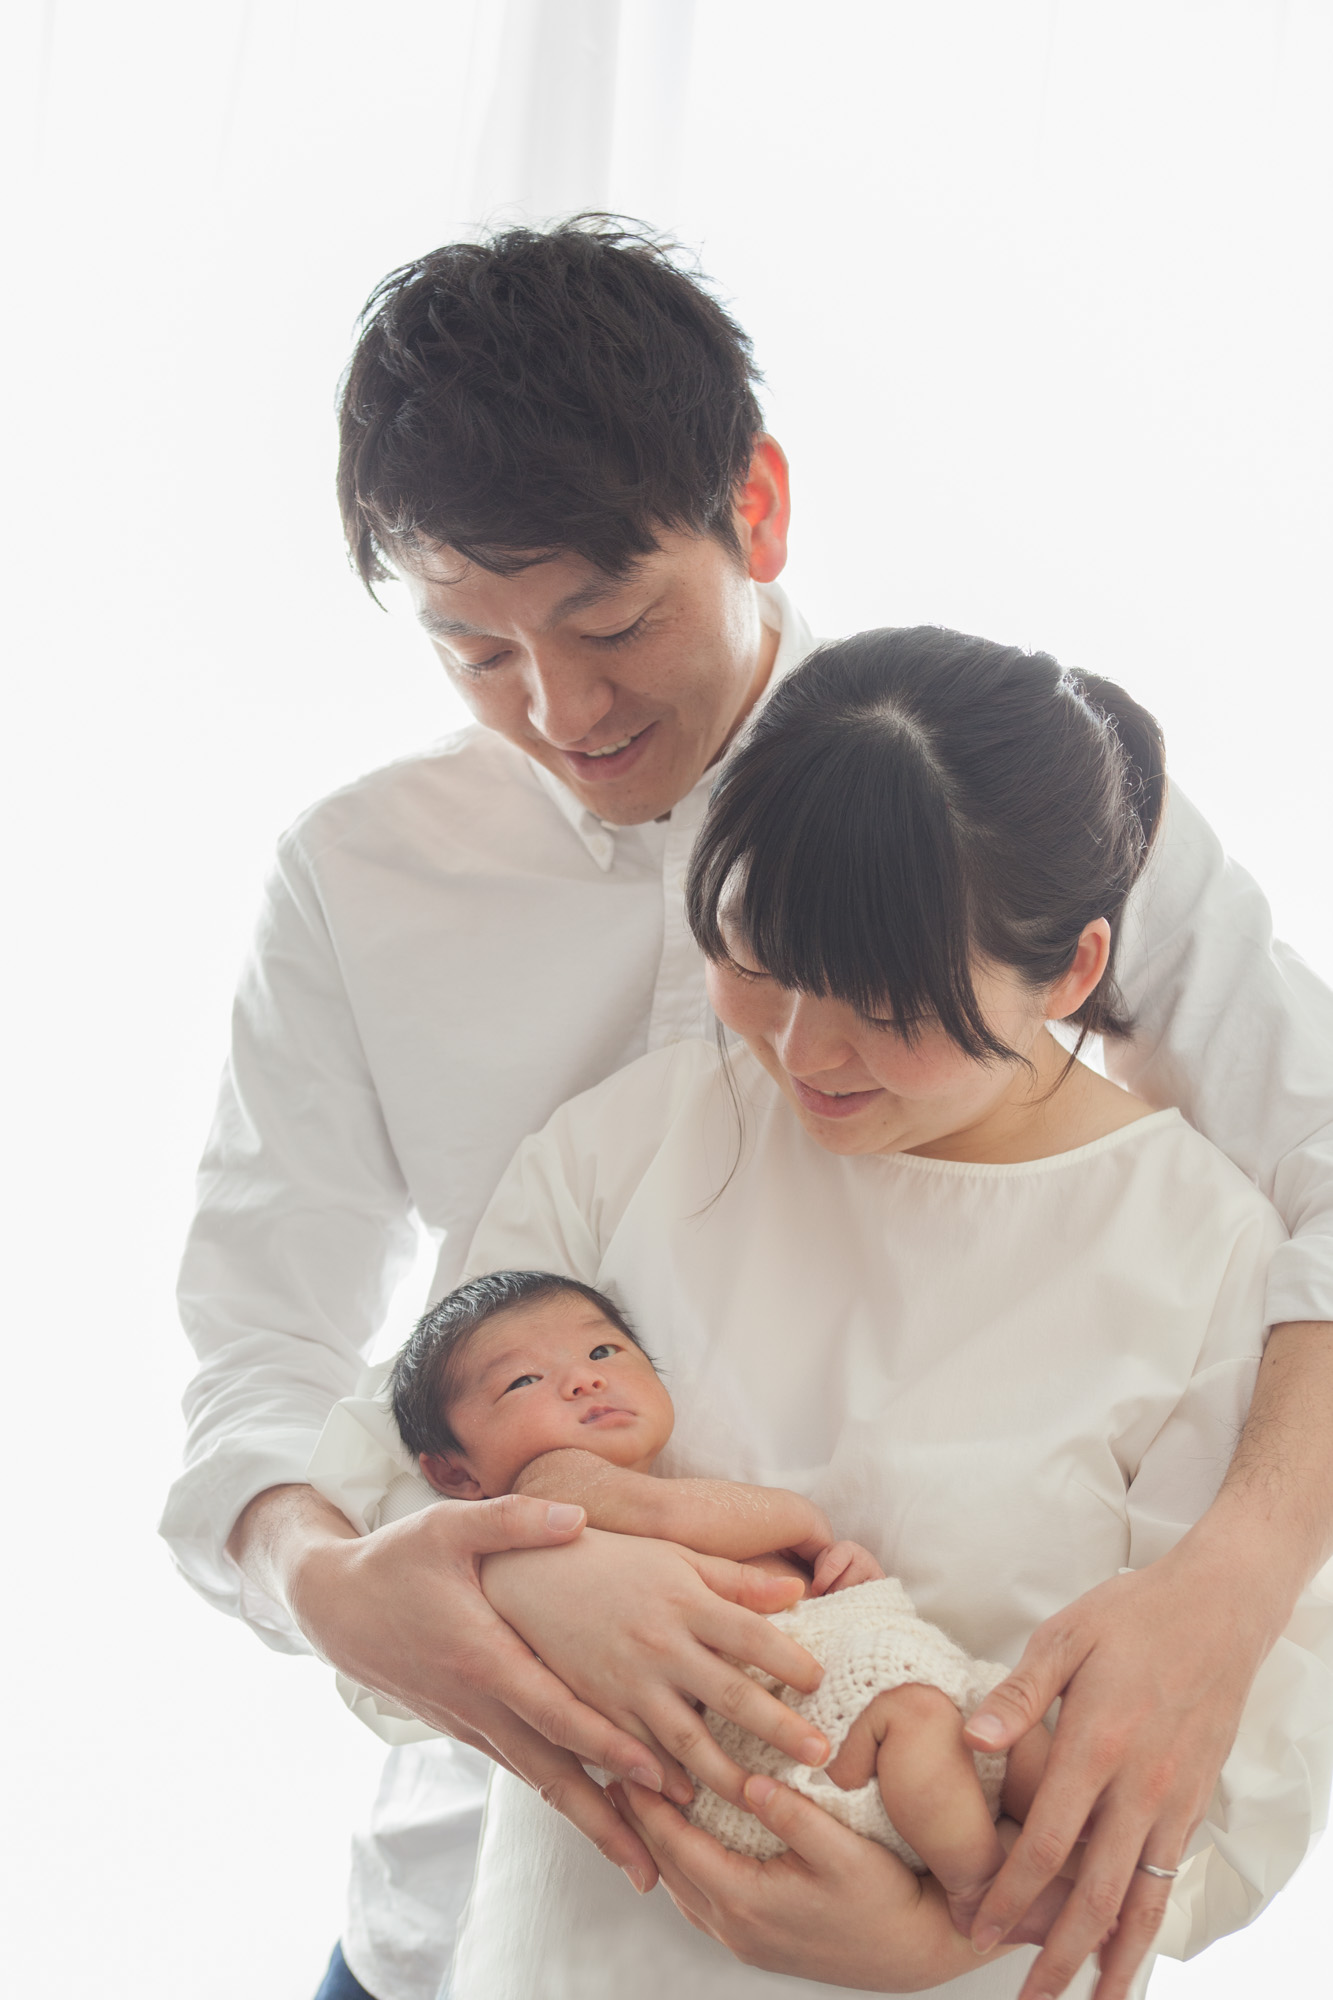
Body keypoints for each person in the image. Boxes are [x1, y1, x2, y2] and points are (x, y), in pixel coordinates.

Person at [157, 219, 1333, 2000]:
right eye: (472, 649)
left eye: (609, 622)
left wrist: (1228, 1582)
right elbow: (263, 1347)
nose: (557, 708)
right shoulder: (364, 882)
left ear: (756, 511)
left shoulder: (1012, 800)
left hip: (924, 1901)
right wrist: (330, 1576)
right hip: (469, 1890)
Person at [420, 630, 1331, 1997]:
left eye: (888, 1007)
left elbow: (1227, 1794)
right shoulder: (635, 1139)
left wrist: (947, 1940)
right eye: (758, 961)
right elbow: (393, 1483)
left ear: (1072, 971)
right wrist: (526, 1569)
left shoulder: (1208, 1261)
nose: (802, 1050)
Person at [361, 1263, 1052, 1919]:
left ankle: (1061, 1857)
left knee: (1004, 1722)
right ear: (454, 1474)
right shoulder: (553, 1483)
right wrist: (802, 1522)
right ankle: (980, 1894)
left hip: (825, 1694)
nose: (582, 1380)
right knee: (918, 1714)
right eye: (522, 1381)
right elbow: (673, 1517)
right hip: (773, 1732)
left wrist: (834, 1575)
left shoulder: (638, 1494)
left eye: (603, 1351)